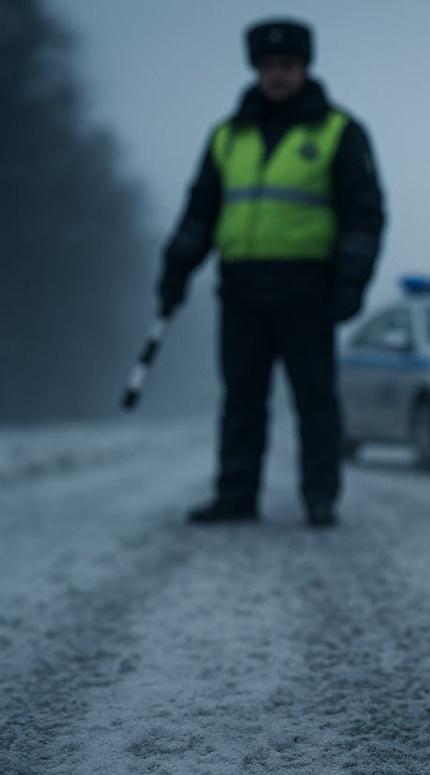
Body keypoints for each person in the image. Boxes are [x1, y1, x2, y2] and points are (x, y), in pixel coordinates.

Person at [157, 18, 385, 529]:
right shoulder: (226, 137)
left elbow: (364, 215)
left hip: (308, 289)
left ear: (304, 67)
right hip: (240, 289)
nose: (278, 76)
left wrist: (351, 282)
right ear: (256, 70)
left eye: (287, 66)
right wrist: (175, 273)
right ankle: (236, 495)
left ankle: (320, 497)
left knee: (314, 401)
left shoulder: (338, 133)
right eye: (269, 67)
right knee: (241, 398)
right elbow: (199, 215)